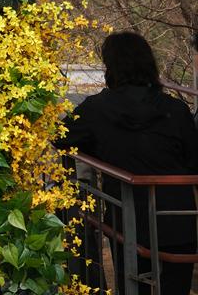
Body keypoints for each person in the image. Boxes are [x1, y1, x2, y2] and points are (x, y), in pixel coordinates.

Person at [58, 31, 198, 295]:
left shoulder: (96, 109)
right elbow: (193, 160)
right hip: (179, 218)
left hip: (128, 217)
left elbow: (62, 137)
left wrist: (99, 147)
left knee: (132, 284)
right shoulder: (175, 109)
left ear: (110, 67)